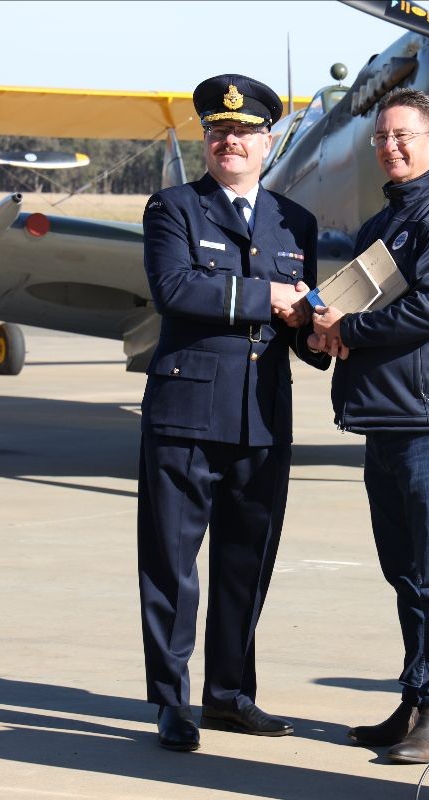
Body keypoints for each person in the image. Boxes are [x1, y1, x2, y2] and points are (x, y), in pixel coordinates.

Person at [138, 73, 329, 752]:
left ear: (267, 143)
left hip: (262, 416)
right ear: (208, 141)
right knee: (172, 565)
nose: (230, 142)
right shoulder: (173, 209)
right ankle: (171, 702)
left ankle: (228, 695)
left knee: (247, 562)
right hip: (187, 413)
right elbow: (175, 288)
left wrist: (323, 333)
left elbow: (300, 313)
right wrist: (267, 298)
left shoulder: (294, 222)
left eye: (244, 132)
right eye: (219, 132)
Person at [310, 88, 429, 764]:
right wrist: (317, 329)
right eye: (382, 137)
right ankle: (415, 699)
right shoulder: (384, 227)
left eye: (404, 135)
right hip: (385, 417)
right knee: (405, 572)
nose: (391, 146)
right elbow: (355, 309)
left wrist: (346, 328)